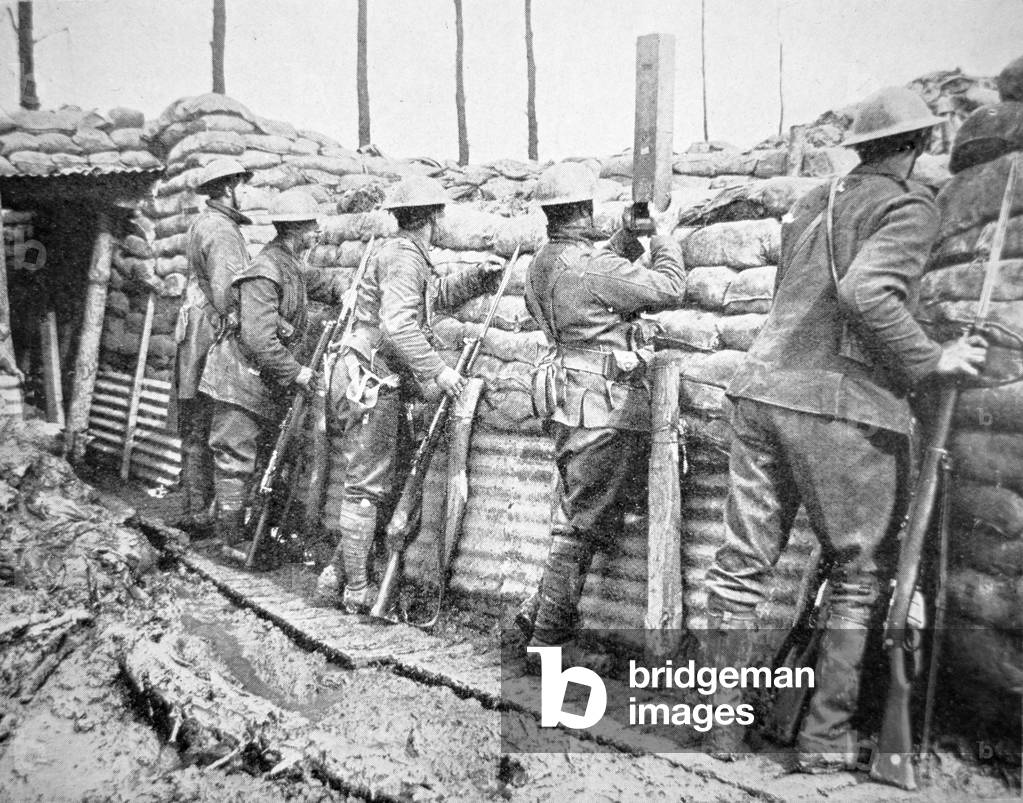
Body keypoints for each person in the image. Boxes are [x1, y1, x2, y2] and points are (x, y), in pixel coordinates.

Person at [701, 87, 989, 770]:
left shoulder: (811, 202)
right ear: (918, 146)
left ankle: (717, 731)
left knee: (740, 569)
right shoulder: (907, 206)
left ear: (860, 146)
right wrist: (931, 357)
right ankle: (823, 742)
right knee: (858, 579)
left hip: (760, 389)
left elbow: (787, 302)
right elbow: (865, 292)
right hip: (841, 408)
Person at [519, 162, 687, 660]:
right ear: (582, 211)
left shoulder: (542, 266)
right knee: (580, 526)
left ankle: (535, 620)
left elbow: (596, 277)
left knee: (578, 517)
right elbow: (669, 287)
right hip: (603, 412)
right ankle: (545, 644)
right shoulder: (590, 269)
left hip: (570, 405)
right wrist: (664, 237)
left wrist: (621, 238)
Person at [314, 175, 501, 615]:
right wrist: (440, 373)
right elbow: (399, 326)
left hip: (375, 376)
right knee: (366, 485)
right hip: (372, 379)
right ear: (433, 218)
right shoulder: (403, 257)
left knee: (375, 479)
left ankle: (334, 576)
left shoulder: (404, 254)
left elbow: (427, 300)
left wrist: (476, 279)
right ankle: (357, 591)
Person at [200, 189, 349, 559]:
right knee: (235, 459)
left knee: (256, 461)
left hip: (259, 381)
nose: (317, 234)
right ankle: (231, 543)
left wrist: (343, 291)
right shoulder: (266, 271)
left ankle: (246, 534)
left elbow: (320, 284)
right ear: (297, 231)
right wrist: (296, 372)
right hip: (238, 378)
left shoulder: (290, 265)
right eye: (312, 228)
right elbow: (258, 338)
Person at [173, 158, 252, 541]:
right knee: (209, 422)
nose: (247, 191)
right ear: (227, 188)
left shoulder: (204, 223)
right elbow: (228, 293)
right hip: (209, 335)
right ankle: (204, 516)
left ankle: (194, 509)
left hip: (193, 333)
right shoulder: (222, 231)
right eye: (242, 183)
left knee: (193, 425)